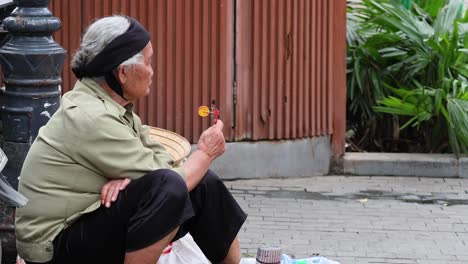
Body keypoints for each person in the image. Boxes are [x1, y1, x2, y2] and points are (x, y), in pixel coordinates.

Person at [15, 15, 247, 264]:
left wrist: (128, 178)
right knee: (169, 188)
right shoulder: (91, 116)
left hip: (84, 222)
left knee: (202, 183)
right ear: (123, 72)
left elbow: (165, 162)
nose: (152, 71)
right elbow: (171, 179)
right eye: (148, 63)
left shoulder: (112, 107)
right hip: (53, 246)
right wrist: (206, 152)